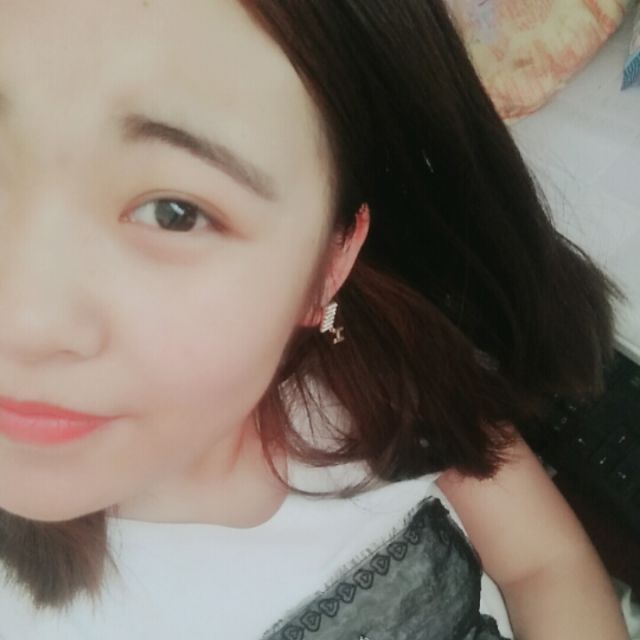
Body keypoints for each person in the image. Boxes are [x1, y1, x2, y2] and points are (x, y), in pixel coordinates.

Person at [0, 0, 631, 638]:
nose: (23, 323)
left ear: (330, 264)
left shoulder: (380, 373)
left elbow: (544, 565)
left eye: (174, 213)